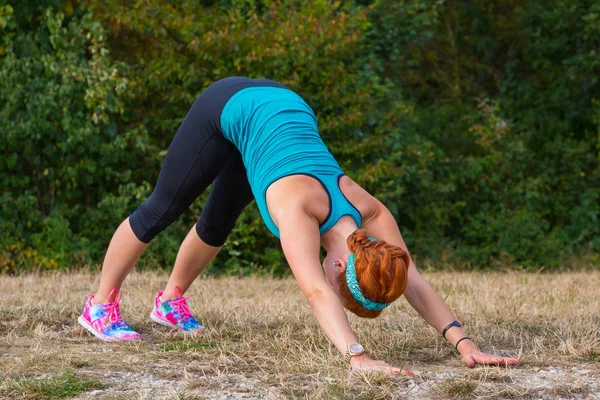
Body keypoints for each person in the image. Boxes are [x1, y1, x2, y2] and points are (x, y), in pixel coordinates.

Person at [78, 77, 518, 373]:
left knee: (218, 222)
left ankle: (169, 302)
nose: (330, 288)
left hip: (283, 111)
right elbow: (313, 291)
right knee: (162, 209)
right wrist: (356, 355)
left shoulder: (371, 213)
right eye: (340, 293)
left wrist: (466, 346)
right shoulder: (298, 213)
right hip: (231, 104)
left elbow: (413, 281)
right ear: (338, 272)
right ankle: (98, 307)